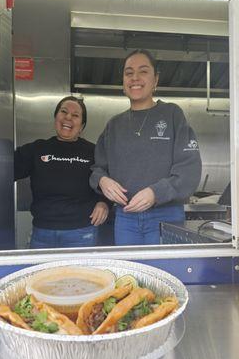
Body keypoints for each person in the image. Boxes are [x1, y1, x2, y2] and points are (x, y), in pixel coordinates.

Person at [90, 49, 202, 246]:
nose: (135, 78)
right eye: (128, 72)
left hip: (166, 215)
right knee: (130, 274)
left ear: (155, 80)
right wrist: (102, 180)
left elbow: (189, 169)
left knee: (164, 273)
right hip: (125, 218)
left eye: (143, 71)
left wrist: (155, 193)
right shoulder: (114, 125)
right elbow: (97, 168)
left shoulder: (172, 114)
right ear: (123, 82)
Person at [14, 96, 109, 248]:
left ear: (82, 125)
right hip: (42, 232)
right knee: (44, 273)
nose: (68, 117)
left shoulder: (94, 151)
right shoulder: (37, 149)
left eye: (75, 115)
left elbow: (110, 179)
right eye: (63, 112)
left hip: (81, 232)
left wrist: (104, 203)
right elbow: (4, 169)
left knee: (79, 273)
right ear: (56, 117)